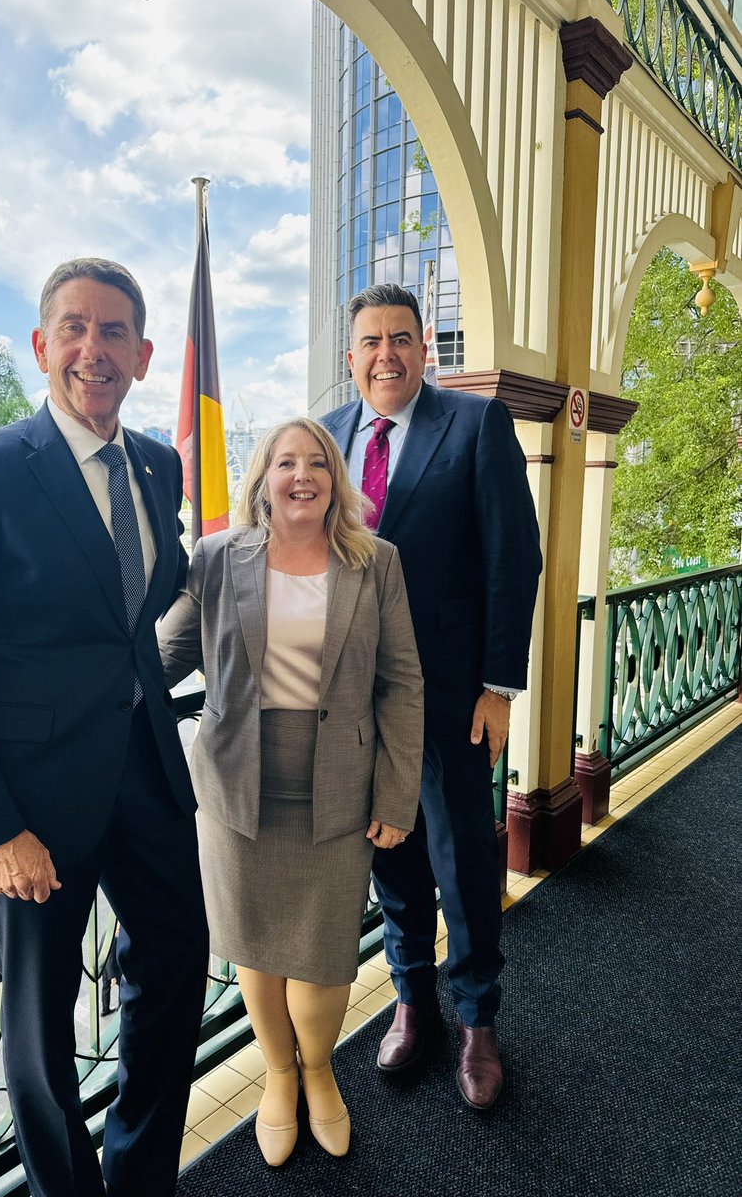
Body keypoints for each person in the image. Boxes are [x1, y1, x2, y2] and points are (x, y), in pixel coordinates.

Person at [0, 258, 209, 1197]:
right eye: (74, 328)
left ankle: (139, 1172)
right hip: (27, 803)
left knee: (179, 960)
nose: (93, 349)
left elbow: (150, 596)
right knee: (39, 1021)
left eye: (114, 332)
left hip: (145, 772)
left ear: (144, 354)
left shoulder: (157, 465)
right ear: (42, 346)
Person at [157, 417, 423, 1166]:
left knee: (323, 961)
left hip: (340, 788)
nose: (301, 475)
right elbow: (162, 658)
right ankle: (279, 1078)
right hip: (237, 792)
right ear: (263, 480)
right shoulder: (214, 559)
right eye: (285, 463)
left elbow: (403, 682)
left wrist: (396, 797)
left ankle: (318, 1069)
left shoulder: (376, 563)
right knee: (256, 956)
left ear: (336, 479)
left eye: (316, 463)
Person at [322, 283, 542, 1109]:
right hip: (356, 703)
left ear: (426, 350)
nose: (386, 354)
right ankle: (413, 1003)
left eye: (401, 338)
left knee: (463, 861)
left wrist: (499, 686)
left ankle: (480, 1020)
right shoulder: (330, 439)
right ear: (351, 360)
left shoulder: (476, 424)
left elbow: (513, 559)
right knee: (394, 856)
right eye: (371, 341)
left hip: (451, 697)